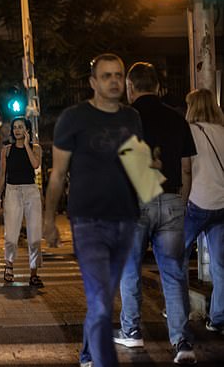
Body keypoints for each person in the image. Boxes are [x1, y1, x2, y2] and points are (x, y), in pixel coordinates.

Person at [43, 53, 143, 367]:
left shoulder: (131, 118)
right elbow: (57, 174)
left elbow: (139, 170)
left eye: (118, 75)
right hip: (87, 221)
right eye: (106, 76)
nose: (114, 81)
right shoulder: (74, 119)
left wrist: (150, 173)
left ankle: (87, 353)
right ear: (92, 82)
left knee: (103, 299)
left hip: (126, 220)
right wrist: (49, 220)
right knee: (101, 303)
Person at [114, 62, 196, 364]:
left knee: (130, 269)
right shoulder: (177, 119)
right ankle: (182, 341)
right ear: (158, 86)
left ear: (130, 87)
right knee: (174, 274)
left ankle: (132, 331)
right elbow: (187, 167)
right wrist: (181, 201)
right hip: (172, 199)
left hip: (135, 202)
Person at [183, 88, 224, 336]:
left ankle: (179, 309)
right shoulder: (223, 132)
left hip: (197, 202)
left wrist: (182, 198)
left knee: (176, 258)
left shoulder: (189, 132)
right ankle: (218, 318)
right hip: (221, 205)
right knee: (220, 265)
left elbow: (186, 170)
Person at [0, 117, 43, 287]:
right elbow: (3, 176)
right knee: (11, 235)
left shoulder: (36, 148)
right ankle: (9, 266)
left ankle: (34, 272)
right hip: (12, 191)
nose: (17, 130)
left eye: (21, 127)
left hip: (31, 191)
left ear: (27, 130)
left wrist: (27, 145)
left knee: (35, 236)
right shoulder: (6, 150)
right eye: (15, 127)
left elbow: (35, 165)